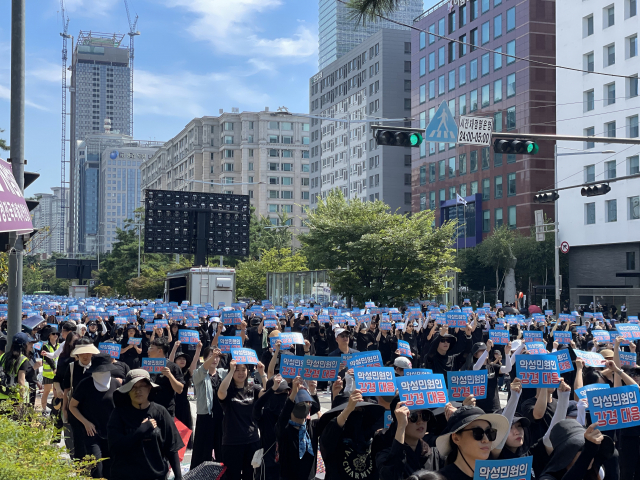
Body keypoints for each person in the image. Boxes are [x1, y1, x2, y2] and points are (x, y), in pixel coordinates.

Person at [107, 369, 184, 480]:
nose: (138, 391)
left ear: (149, 388)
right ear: (127, 390)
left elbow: (171, 448)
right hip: (125, 475)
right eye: (133, 387)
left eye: (142, 386)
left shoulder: (160, 412)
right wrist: (141, 430)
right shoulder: (119, 414)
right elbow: (115, 447)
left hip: (156, 475)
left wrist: (178, 477)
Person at [69, 353, 118, 479]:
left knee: (110, 469)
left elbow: (122, 408)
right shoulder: (85, 384)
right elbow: (72, 406)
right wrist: (85, 422)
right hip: (91, 433)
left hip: (111, 433)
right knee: (96, 467)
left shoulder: (116, 384)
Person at [319, 389, 386, 480]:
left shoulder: (372, 435)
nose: (356, 413)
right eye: (352, 411)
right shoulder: (331, 437)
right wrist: (348, 409)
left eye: (360, 410)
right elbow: (330, 434)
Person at [217, 359, 266, 480]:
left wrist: (262, 373)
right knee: (232, 476)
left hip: (252, 440)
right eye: (237, 370)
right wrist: (231, 370)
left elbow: (267, 394)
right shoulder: (228, 391)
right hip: (232, 442)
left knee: (251, 475)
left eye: (243, 369)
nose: (240, 373)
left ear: (248, 371)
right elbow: (221, 392)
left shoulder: (253, 388)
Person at [435, 406, 509, 480]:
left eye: (489, 433)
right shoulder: (440, 478)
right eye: (477, 433)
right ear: (456, 438)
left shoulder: (498, 476)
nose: (486, 440)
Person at [377, 400, 444, 480]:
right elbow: (392, 475)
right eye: (413, 416)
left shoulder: (436, 455)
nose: (420, 422)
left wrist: (454, 421)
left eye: (425, 416)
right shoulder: (384, 456)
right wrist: (401, 426)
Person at [275, 376, 321, 480]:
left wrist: (313, 391)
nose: (304, 405)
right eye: (299, 403)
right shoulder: (284, 429)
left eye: (306, 402)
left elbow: (333, 418)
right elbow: (283, 417)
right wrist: (293, 395)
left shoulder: (313, 426)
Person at [539, 420, 614, 480]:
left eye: (594, 449)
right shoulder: (547, 478)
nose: (591, 454)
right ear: (566, 454)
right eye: (582, 448)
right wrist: (587, 451)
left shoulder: (596, 472)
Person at [190, 346, 225, 470]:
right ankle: (198, 474)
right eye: (211, 356)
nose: (215, 359)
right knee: (202, 449)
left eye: (217, 357)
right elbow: (203, 368)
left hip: (221, 417)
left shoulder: (222, 373)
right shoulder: (199, 374)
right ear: (204, 359)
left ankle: (222, 474)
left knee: (221, 448)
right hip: (205, 416)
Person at [147, 337, 184, 417]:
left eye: (151, 348)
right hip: (148, 409)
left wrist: (170, 376)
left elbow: (179, 389)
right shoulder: (146, 366)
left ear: (160, 351)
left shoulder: (173, 367)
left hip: (166, 410)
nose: (148, 350)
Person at [0, 333, 32, 403]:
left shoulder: (3, 357)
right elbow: (21, 381)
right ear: (24, 345)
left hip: (1, 395)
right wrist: (21, 399)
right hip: (14, 398)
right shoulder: (23, 359)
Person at [39, 326, 59, 413]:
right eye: (53, 334)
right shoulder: (45, 346)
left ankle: (55, 409)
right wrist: (54, 368)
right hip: (48, 374)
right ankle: (43, 409)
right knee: (46, 392)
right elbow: (48, 359)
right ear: (49, 336)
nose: (55, 335)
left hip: (57, 373)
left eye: (56, 334)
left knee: (56, 392)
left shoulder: (59, 346)